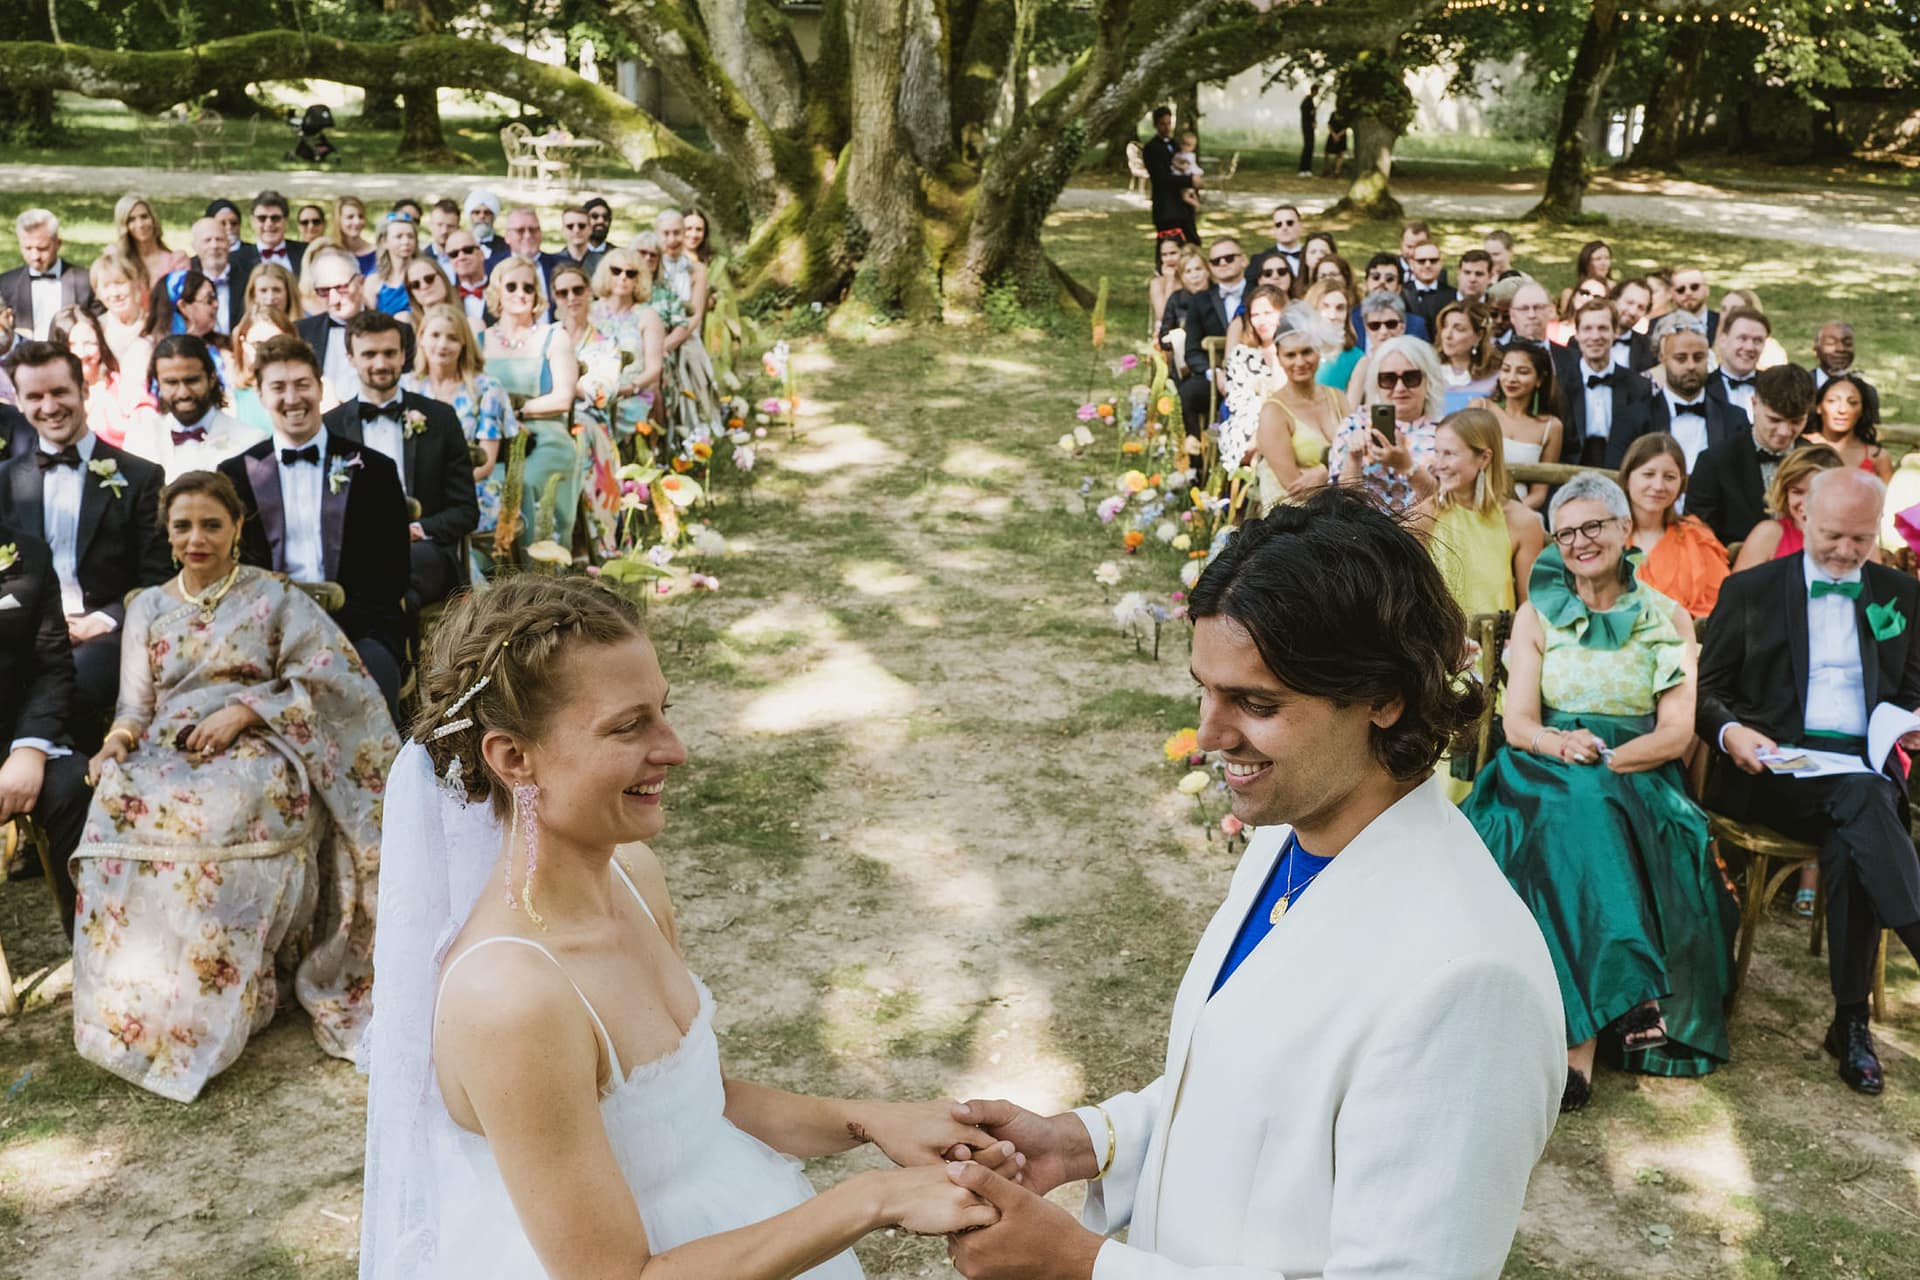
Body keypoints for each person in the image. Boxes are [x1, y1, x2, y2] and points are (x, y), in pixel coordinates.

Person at [942, 489, 1561, 1280]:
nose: (1208, 734)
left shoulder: (1471, 985)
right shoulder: (1297, 834)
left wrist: (1085, 1266)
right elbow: (1256, 1096)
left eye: (1256, 703)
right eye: (1205, 688)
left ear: (1384, 697)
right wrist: (1089, 1140)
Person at [360, 575, 1008, 1278]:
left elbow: (698, 1104)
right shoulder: (510, 999)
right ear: (514, 757)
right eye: (629, 725)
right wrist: (871, 1200)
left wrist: (867, 1121)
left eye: (664, 711)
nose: (675, 748)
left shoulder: (634, 877)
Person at [70, 467, 397, 1101]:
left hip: (263, 740)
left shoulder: (275, 596)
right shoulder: (148, 608)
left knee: (233, 803)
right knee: (115, 804)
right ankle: (147, 1008)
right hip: (167, 750)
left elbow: (332, 676)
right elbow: (134, 709)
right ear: (167, 534)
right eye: (183, 526)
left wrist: (247, 712)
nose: (197, 539)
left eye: (211, 525)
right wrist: (113, 745)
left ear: (238, 527)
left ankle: (239, 994)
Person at [1463, 472, 1735, 1110]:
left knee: (1590, 807)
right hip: (1542, 767)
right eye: (1566, 532)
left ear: (1622, 530)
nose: (1581, 541)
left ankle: (1575, 1041)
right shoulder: (1537, 615)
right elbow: (1521, 722)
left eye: (1594, 527)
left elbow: (1676, 731)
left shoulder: (1665, 617)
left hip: (1637, 769)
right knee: (1571, 807)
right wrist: (1561, 745)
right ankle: (1612, 1007)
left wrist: (1613, 757)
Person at [1698, 468, 1920, 1095]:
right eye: (1833, 537)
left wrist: (1909, 725)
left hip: (1861, 766)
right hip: (1774, 770)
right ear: (1802, 518)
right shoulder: (1751, 590)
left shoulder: (1900, 594)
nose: (1847, 552)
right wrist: (1731, 734)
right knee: (1867, 805)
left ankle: (1849, 1024)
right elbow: (1706, 695)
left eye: (1861, 538)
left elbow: (1911, 689)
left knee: (1857, 825)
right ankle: (1857, 1015)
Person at [218, 336, 411, 712]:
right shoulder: (235, 475)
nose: (292, 398)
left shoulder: (375, 469)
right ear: (260, 394)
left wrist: (329, 630)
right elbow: (234, 571)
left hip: (361, 629)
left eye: (302, 384)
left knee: (370, 685)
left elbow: (392, 575)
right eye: (278, 387)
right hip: (265, 631)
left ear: (321, 388)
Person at [0, 342, 171, 753]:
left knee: (72, 688)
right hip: (22, 630)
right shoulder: (3, 480)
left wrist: (104, 620)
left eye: (60, 392)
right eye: (35, 397)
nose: (50, 406)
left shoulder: (140, 477)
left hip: (102, 635)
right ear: (19, 403)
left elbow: (159, 578)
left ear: (84, 392)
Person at [322, 310, 478, 609]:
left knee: (397, 572)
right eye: (369, 354)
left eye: (389, 353)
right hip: (356, 552)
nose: (381, 364)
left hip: (423, 551)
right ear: (351, 358)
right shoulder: (330, 427)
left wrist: (416, 530)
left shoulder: (440, 418)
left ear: (403, 354)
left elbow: (466, 510)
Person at [403, 304, 517, 563]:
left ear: (464, 344)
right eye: (435, 335)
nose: (442, 345)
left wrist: (443, 490)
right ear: (421, 338)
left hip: (470, 489)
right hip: (414, 490)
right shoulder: (406, 387)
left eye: (452, 337)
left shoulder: (487, 389)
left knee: (449, 517)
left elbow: (486, 461)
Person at [483, 257, 581, 552]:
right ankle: (487, 569)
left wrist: (518, 413)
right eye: (511, 285)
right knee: (482, 483)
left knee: (525, 484)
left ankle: (538, 566)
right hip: (492, 439)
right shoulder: (479, 339)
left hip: (545, 436)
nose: (520, 292)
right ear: (497, 291)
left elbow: (564, 398)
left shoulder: (554, 336)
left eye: (528, 286)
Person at [1414, 407, 1544, 616]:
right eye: (1436, 452)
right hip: (1441, 642)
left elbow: (1530, 606)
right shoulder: (1426, 515)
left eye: (1450, 454)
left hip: (1500, 642)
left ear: (1484, 458)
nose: (1439, 465)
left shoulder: (1522, 521)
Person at [1690, 362, 1815, 547]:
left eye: (1796, 421)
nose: (1784, 432)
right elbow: (1699, 539)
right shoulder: (1715, 462)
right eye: (1774, 420)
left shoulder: (1818, 461)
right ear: (1755, 403)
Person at [549, 263, 625, 556]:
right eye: (562, 292)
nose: (571, 297)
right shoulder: (547, 336)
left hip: (589, 419)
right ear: (554, 298)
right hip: (549, 417)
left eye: (577, 290)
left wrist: (568, 383)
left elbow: (603, 391)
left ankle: (597, 538)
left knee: (582, 437)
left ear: (590, 292)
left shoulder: (605, 342)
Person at [124, 333, 268, 479]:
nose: (183, 393)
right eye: (171, 383)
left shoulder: (250, 441)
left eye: (192, 381)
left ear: (212, 379)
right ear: (158, 384)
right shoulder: (139, 441)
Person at [1620, 433, 1730, 620]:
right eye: (1648, 474)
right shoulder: (1603, 536)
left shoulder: (1696, 539)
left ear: (1681, 484)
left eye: (1669, 477)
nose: (1658, 486)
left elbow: (1723, 605)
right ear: (1627, 479)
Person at [1329, 334, 1443, 514]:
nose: (1399, 388)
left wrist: (1407, 467)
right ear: (1376, 383)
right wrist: (1353, 458)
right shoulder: (1354, 425)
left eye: (1411, 378)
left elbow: (1445, 501)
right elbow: (1340, 503)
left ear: (1428, 381)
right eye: (1388, 379)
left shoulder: (1444, 432)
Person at [1250, 306, 1346, 512]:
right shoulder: (1273, 412)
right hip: (1298, 516)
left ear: (1318, 351)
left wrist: (1323, 470)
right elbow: (1297, 489)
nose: (1300, 362)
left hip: (1344, 506)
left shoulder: (1337, 397)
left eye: (1306, 352)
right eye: (1290, 355)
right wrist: (1338, 466)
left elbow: (1361, 454)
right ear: (1279, 357)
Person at [298, 246, 417, 405]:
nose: (334, 299)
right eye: (324, 291)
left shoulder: (398, 332)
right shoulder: (302, 332)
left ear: (361, 282)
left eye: (342, 288)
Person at [1557, 298, 1653, 468]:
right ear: (1577, 335)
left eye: (1603, 328)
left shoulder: (1638, 386)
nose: (1595, 336)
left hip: (1619, 473)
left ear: (1615, 332)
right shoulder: (1559, 384)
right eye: (1587, 329)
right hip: (1569, 473)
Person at [1644, 319, 1747, 477]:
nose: (1691, 366)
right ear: (1663, 359)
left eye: (1698, 357)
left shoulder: (1734, 420)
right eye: (1681, 358)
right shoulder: (1634, 419)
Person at [1473, 340, 1563, 513]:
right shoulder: (1480, 408)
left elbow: (1539, 493)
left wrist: (1508, 512)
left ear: (1539, 379)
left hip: (1520, 511)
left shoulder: (1551, 427)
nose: (1511, 379)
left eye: (1522, 372)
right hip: (1474, 506)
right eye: (1506, 370)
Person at [587, 248, 667, 440]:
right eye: (616, 271)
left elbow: (654, 368)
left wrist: (630, 388)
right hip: (592, 394)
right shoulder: (590, 311)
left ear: (638, 280)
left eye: (630, 273)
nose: (623, 277)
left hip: (632, 395)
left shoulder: (648, 316)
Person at [1158, 246, 1229, 460]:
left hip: (1219, 361)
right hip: (1188, 364)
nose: (1195, 275)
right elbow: (1163, 335)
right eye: (1188, 271)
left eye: (1198, 268)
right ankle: (1193, 449)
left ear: (1208, 270)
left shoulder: (1220, 296)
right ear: (1181, 276)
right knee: (1186, 392)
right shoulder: (1177, 300)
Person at [49, 307, 155, 448]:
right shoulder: (46, 396)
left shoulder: (124, 387)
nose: (81, 353)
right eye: (71, 345)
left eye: (89, 343)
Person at [1731, 444, 1845, 573]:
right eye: (1797, 492)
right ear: (1785, 493)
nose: (1806, 503)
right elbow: (1736, 591)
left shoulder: (1854, 538)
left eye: (1816, 492)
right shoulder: (1770, 534)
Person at [1, 210, 93, 341]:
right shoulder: (5, 285)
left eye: (42, 248)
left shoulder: (85, 282)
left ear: (58, 244)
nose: (35, 256)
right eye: (27, 248)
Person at [1807, 372, 1889, 481]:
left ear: (1862, 411)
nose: (1842, 410)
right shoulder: (1801, 445)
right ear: (1818, 407)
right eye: (1832, 401)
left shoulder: (1877, 456)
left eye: (1852, 403)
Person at [228, 307, 294, 433]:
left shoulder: (315, 387)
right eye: (257, 345)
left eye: (276, 344)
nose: (266, 352)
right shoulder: (232, 398)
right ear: (243, 344)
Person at [1142, 106, 1200, 247]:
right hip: (1166, 207)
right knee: (1169, 246)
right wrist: (1189, 180)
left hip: (1182, 206)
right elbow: (1161, 178)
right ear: (1155, 125)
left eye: (1169, 123)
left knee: (1192, 243)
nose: (1167, 127)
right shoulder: (1151, 148)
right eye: (1163, 124)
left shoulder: (1175, 144)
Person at [113, 195, 189, 292]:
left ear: (153, 219)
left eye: (144, 217)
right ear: (124, 226)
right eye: (131, 220)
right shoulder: (118, 261)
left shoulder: (176, 261)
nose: (140, 224)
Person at [1434, 300, 1497, 413]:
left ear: (1479, 336)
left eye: (1459, 329)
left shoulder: (1496, 376)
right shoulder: (1428, 372)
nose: (1448, 335)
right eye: (1445, 326)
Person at [1707, 306, 1769, 417]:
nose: (1750, 347)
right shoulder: (1703, 388)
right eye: (1742, 338)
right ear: (1723, 340)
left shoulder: (1774, 387)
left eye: (1757, 340)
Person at [1345, 292, 1408, 399]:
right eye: (1375, 325)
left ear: (1402, 326)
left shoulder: (1416, 360)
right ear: (1366, 327)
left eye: (1391, 324)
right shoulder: (1356, 362)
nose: (1383, 331)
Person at [187, 217, 244, 334]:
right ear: (195, 246)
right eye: (207, 240)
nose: (214, 245)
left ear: (229, 244)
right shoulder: (186, 282)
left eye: (219, 239)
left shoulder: (247, 277)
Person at [1303, 280, 1361, 393]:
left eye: (1340, 308)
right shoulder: (1292, 351)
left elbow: (1349, 408)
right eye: (1325, 307)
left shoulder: (1357, 359)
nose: (1333, 315)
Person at [365, 213, 420, 323]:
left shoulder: (424, 275)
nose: (406, 241)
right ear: (384, 242)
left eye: (410, 236)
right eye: (399, 237)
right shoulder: (374, 280)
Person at [1719, 290, 1789, 368]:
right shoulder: (1713, 343)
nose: (1726, 316)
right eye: (1723, 309)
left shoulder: (1771, 351)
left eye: (1734, 309)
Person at [247, 190, 306, 281]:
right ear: (253, 221)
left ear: (286, 221)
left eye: (275, 218)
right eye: (262, 218)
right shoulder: (237, 260)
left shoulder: (305, 253)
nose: (269, 223)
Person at [1246, 204, 1306, 289]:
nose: (1284, 227)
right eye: (1278, 224)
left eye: (1290, 223)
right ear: (1273, 230)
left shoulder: (1312, 255)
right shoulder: (1259, 260)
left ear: (1301, 226)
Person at [1401, 240, 1456, 330]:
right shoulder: (1402, 294)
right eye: (1421, 261)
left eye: (1433, 260)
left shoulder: (1454, 296)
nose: (1428, 265)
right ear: (1411, 264)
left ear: (1441, 263)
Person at [1608, 278, 1658, 372]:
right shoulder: (1584, 338)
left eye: (1641, 307)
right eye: (1629, 303)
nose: (1633, 312)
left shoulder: (1649, 348)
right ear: (1614, 300)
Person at [1146, 236, 1184, 349]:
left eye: (1173, 253)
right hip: (1166, 336)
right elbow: (1163, 316)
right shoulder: (1156, 283)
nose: (1168, 259)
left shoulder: (1191, 278)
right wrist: (1170, 282)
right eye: (1164, 255)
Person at [463, 188, 511, 272]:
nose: (482, 216)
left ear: (493, 216)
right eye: (477, 212)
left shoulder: (506, 246)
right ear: (470, 216)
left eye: (487, 212)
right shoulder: (461, 245)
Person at [1667, 266, 1720, 343]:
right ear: (1672, 294)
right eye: (1681, 289)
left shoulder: (1722, 323)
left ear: (1707, 290)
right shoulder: (1659, 326)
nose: (1688, 293)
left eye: (1694, 287)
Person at [1502, 280, 1553, 349]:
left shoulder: (1569, 355)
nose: (1531, 315)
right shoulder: (1498, 356)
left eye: (1538, 307)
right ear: (1512, 315)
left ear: (1550, 311)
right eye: (1524, 309)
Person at [336, 196, 378, 275]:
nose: (357, 221)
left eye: (360, 216)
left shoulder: (378, 253)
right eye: (350, 217)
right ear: (339, 220)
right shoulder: (332, 254)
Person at [424, 198, 461, 271]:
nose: (444, 231)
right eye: (439, 225)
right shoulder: (420, 258)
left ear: (458, 228)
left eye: (450, 226)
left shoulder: (466, 259)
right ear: (430, 225)